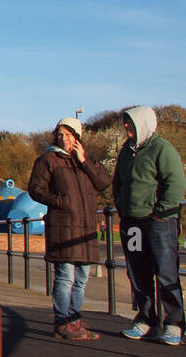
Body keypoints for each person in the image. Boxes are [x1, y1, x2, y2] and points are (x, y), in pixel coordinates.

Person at [27, 117, 112, 340]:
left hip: (84, 228)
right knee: (65, 276)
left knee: (82, 277)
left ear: (77, 137)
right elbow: (35, 188)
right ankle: (62, 322)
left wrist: (83, 161)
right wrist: (59, 201)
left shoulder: (83, 160)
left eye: (68, 134)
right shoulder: (48, 160)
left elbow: (103, 182)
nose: (63, 138)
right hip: (63, 226)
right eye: (60, 134)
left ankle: (74, 319)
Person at [113, 106, 185, 345]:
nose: (125, 127)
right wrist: (123, 210)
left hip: (158, 223)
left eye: (130, 123)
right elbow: (118, 183)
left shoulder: (162, 148)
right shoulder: (126, 151)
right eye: (125, 123)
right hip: (132, 224)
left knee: (166, 272)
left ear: (142, 123)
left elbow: (175, 181)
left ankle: (174, 324)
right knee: (137, 272)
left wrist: (161, 211)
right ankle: (145, 320)